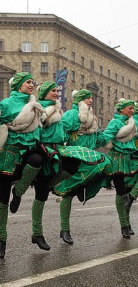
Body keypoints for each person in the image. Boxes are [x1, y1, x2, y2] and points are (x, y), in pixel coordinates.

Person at [0, 72, 57, 258]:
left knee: (37, 161)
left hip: (30, 150)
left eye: (33, 82)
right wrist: (4, 133)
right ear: (18, 85)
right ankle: (1, 239)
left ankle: (18, 193)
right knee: (2, 197)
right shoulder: (6, 104)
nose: (32, 84)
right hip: (9, 153)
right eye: (28, 82)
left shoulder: (35, 105)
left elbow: (41, 128)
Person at [53, 89, 113, 243]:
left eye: (91, 98)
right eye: (87, 99)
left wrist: (113, 132)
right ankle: (65, 229)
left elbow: (99, 138)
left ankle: (83, 186)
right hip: (73, 155)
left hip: (88, 156)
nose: (91, 101)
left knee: (106, 163)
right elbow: (60, 133)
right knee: (67, 194)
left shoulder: (92, 119)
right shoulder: (71, 115)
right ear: (80, 101)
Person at [103, 99, 138, 238]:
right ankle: (124, 225)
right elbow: (106, 136)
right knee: (120, 192)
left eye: (133, 108)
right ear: (122, 109)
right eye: (130, 108)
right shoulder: (116, 122)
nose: (132, 110)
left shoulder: (129, 122)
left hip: (127, 159)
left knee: (126, 192)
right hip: (116, 160)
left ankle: (127, 224)